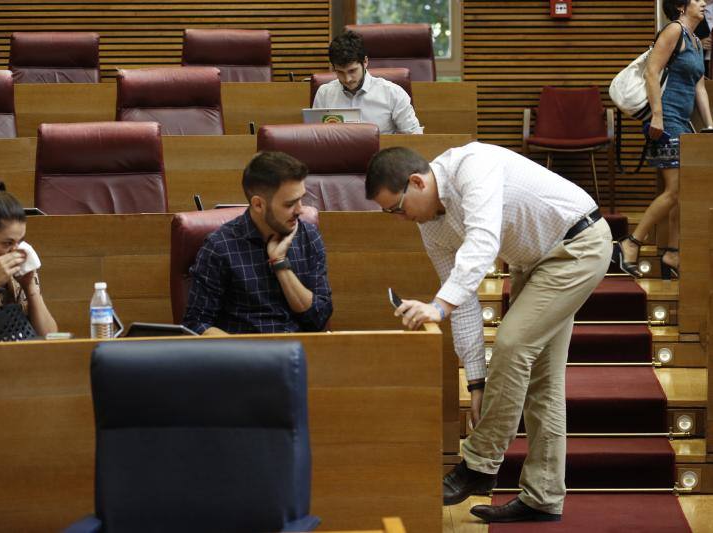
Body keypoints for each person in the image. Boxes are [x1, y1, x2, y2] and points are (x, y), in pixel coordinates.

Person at [365, 143, 612, 522]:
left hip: (578, 245)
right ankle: (542, 497)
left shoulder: (471, 166)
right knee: (542, 381)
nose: (400, 218)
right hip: (535, 263)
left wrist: (438, 306)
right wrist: (477, 382)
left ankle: (479, 464)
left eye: (397, 208)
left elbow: (483, 242)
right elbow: (462, 301)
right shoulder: (431, 227)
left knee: (512, 345)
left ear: (416, 181)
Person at [614, 0, 713, 280]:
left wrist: (710, 127)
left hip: (683, 121)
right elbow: (652, 72)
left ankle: (672, 252)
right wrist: (656, 115)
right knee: (674, 190)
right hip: (666, 118)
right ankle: (630, 243)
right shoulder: (673, 31)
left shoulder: (694, 39)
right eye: (697, 0)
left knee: (681, 194)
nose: (704, 3)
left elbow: (700, 86)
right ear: (682, 6)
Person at [183, 151, 332, 335]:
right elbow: (196, 324)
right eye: (289, 204)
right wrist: (248, 353)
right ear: (258, 205)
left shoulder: (308, 236)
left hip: (298, 352)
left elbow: (319, 319)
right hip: (244, 357)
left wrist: (280, 264)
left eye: (301, 198)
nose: (300, 210)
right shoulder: (220, 247)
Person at [312, 30, 422, 135]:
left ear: (365, 62)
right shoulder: (324, 94)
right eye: (340, 72)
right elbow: (315, 137)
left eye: (352, 71)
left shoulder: (393, 94)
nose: (347, 79)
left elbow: (414, 137)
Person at [0, 189, 57, 337]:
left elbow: (49, 337)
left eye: (20, 241)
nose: (15, 251)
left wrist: (31, 290)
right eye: (7, 243)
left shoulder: (17, 274)